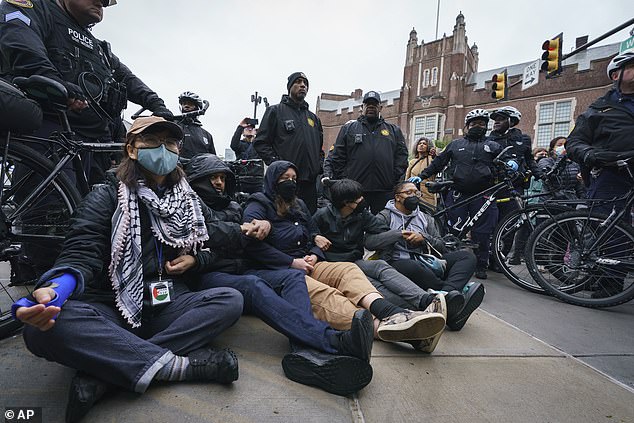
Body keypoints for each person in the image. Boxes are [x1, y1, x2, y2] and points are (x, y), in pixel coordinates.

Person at [10, 117, 249, 423]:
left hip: (167, 304)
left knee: (229, 300)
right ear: (132, 150)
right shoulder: (107, 194)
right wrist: (60, 287)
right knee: (41, 330)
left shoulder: (188, 200)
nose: (163, 150)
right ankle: (181, 367)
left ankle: (105, 374)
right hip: (110, 304)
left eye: (170, 143)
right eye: (152, 142)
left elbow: (216, 232)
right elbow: (83, 245)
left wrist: (199, 258)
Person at [184, 154, 374, 396]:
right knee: (253, 284)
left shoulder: (233, 206)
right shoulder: (190, 207)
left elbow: (247, 240)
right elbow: (207, 240)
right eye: (213, 178)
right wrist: (259, 230)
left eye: (222, 177)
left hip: (242, 267)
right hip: (212, 274)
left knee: (293, 278)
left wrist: (268, 229)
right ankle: (334, 341)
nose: (219, 183)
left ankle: (303, 354)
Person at [242, 160, 446, 345]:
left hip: (310, 262)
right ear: (272, 179)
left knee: (348, 271)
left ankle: (395, 315)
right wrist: (290, 261)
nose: (291, 182)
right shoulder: (258, 204)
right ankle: (385, 328)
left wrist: (314, 250)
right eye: (285, 178)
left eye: (294, 178)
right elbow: (250, 243)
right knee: (327, 294)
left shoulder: (299, 204)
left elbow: (313, 233)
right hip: (279, 269)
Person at [0, 0, 174, 182]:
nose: (103, 3)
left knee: (102, 203)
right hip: (52, 131)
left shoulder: (99, 48)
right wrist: (53, 81)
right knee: (52, 207)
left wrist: (156, 104)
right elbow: (20, 40)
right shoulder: (36, 8)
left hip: (96, 142)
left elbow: (127, 78)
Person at [313, 179, 459, 352]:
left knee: (380, 266)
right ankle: (413, 313)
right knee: (372, 285)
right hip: (333, 265)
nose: (362, 201)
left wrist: (397, 234)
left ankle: (427, 300)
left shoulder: (362, 215)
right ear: (346, 203)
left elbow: (381, 230)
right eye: (358, 199)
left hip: (355, 261)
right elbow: (307, 234)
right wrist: (316, 237)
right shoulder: (322, 215)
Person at [375, 181, 483, 332]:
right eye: (408, 192)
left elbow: (442, 245)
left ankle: (445, 296)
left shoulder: (426, 218)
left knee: (467, 257)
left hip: (428, 262)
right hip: (399, 263)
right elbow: (372, 241)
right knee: (412, 266)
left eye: (416, 193)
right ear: (398, 197)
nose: (413, 196)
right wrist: (397, 235)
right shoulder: (384, 216)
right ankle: (456, 298)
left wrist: (423, 238)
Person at [409, 109, 502, 279]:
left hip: (483, 194)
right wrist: (420, 176)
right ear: (467, 126)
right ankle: (453, 261)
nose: (478, 126)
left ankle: (481, 264)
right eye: (474, 123)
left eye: (482, 124)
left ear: (486, 126)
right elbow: (438, 163)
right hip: (458, 193)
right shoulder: (455, 144)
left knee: (483, 232)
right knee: (453, 229)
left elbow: (502, 165)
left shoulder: (493, 145)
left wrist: (512, 165)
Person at [566, 51, 634, 218]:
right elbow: (574, 142)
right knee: (611, 237)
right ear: (615, 75)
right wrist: (591, 154)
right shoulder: (597, 110)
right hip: (613, 177)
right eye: (632, 67)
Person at [323, 91, 409, 214]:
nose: (371, 107)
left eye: (374, 105)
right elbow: (338, 157)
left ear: (380, 107)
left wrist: (393, 178)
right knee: (354, 225)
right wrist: (346, 180)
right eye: (367, 105)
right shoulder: (349, 129)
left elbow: (401, 157)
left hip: (384, 191)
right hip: (355, 191)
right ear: (362, 107)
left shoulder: (393, 130)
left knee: (381, 226)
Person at [253, 72, 323, 213]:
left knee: (308, 223)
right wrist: (277, 165)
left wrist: (318, 166)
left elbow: (319, 149)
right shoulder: (275, 111)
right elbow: (261, 143)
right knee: (285, 221)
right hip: (286, 183)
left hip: (309, 184)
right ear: (290, 86)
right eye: (298, 82)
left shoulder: (313, 118)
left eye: (305, 83)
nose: (302, 85)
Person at [537, 137, 586, 202]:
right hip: (550, 200)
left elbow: (579, 188)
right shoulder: (545, 161)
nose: (563, 147)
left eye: (565, 145)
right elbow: (550, 175)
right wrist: (561, 157)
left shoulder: (574, 164)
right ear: (552, 149)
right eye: (559, 145)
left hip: (570, 201)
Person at [175, 91, 216, 159]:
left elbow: (212, 159)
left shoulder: (207, 135)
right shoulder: (174, 126)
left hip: (200, 167)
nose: (186, 106)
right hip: (177, 167)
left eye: (190, 104)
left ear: (197, 108)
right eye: (184, 103)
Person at [405, 137, 438, 206]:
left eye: (424, 144)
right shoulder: (412, 162)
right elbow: (407, 179)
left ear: (428, 146)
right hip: (413, 194)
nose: (421, 145)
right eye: (419, 143)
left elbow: (438, 166)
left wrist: (435, 156)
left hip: (428, 195)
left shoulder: (431, 159)